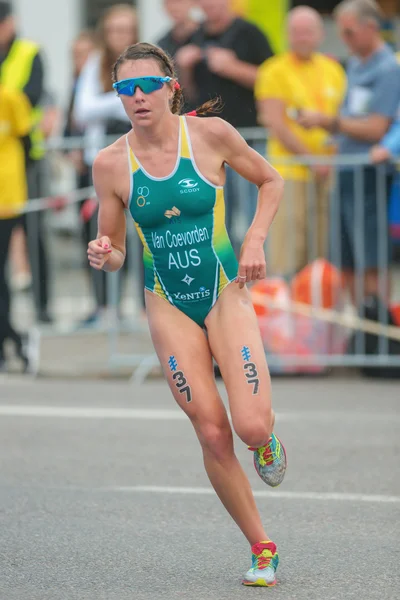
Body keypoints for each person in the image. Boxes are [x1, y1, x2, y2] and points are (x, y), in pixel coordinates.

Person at [87, 42, 286, 586]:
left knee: (246, 426)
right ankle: (261, 545)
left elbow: (272, 180)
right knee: (212, 432)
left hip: (224, 291)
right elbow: (115, 247)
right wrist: (105, 255)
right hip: (167, 303)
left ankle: (265, 435)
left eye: (147, 85)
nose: (138, 98)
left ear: (172, 86)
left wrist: (254, 240)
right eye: (125, 90)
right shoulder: (110, 163)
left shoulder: (210, 135)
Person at [297, 0, 400, 303]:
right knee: (347, 260)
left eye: (350, 32)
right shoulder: (355, 64)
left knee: (371, 259)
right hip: (346, 172)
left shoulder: (387, 68)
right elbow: (352, 119)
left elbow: (377, 128)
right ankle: (360, 330)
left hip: (369, 176)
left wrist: (329, 122)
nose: (344, 39)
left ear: (371, 27)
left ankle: (377, 328)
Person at [175, 0, 274, 251]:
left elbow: (273, 81)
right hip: (208, 145)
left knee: (254, 211)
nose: (211, 5)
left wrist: (233, 68)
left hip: (247, 141)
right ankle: (224, 275)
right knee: (216, 214)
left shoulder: (250, 33)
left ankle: (261, 277)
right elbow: (188, 95)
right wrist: (184, 70)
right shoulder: (194, 37)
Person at [255, 6, 346, 278]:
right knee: (289, 252)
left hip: (328, 174)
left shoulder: (333, 69)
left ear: (320, 34)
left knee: (322, 254)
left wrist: (328, 161)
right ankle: (287, 316)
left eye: (307, 31)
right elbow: (277, 123)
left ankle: (317, 316)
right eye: (295, 31)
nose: (302, 37)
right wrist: (312, 160)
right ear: (286, 35)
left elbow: (342, 117)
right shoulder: (273, 70)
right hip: (289, 173)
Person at [73, 4, 138, 326]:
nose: (118, 37)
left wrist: (112, 103)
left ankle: (138, 305)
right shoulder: (97, 62)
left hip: (137, 163)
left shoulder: (142, 61)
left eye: (125, 30)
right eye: (113, 30)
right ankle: (103, 306)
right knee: (101, 236)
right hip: (100, 164)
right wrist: (121, 101)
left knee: (138, 239)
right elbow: (83, 109)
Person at [0, 0, 51, 324]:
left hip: (27, 156)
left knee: (34, 235)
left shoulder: (29, 52)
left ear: (9, 24)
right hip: (4, 159)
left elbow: (33, 95)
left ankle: (42, 305)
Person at [0, 84, 32, 372]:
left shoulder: (9, 97)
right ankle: (11, 336)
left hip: (5, 200)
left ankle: (9, 338)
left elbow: (27, 143)